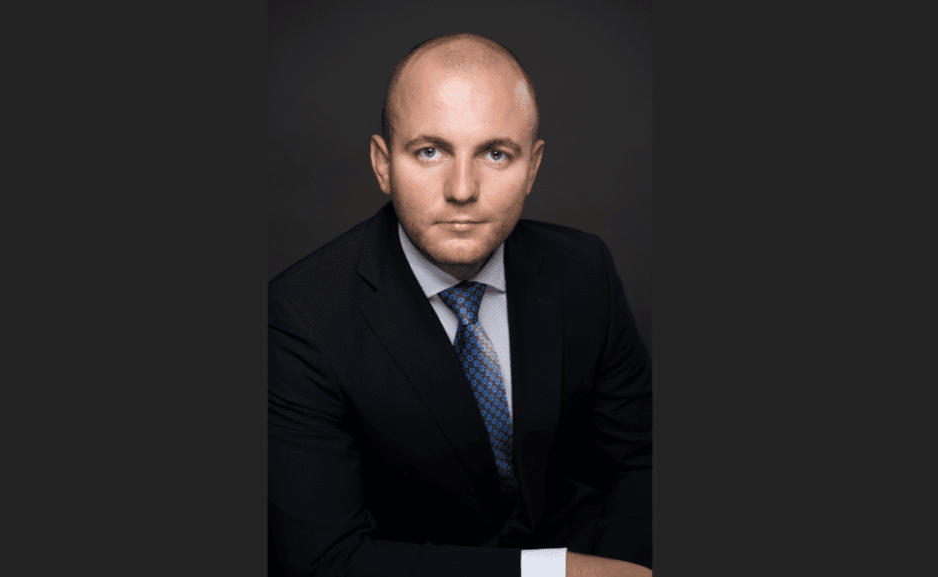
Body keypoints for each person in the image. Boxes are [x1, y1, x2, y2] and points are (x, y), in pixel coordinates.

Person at [268, 33, 652, 577]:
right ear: (383, 164)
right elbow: (326, 560)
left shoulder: (584, 269)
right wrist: (555, 573)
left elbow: (641, 459)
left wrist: (621, 569)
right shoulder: (299, 317)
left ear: (532, 168)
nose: (463, 189)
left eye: (496, 154)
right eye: (430, 151)